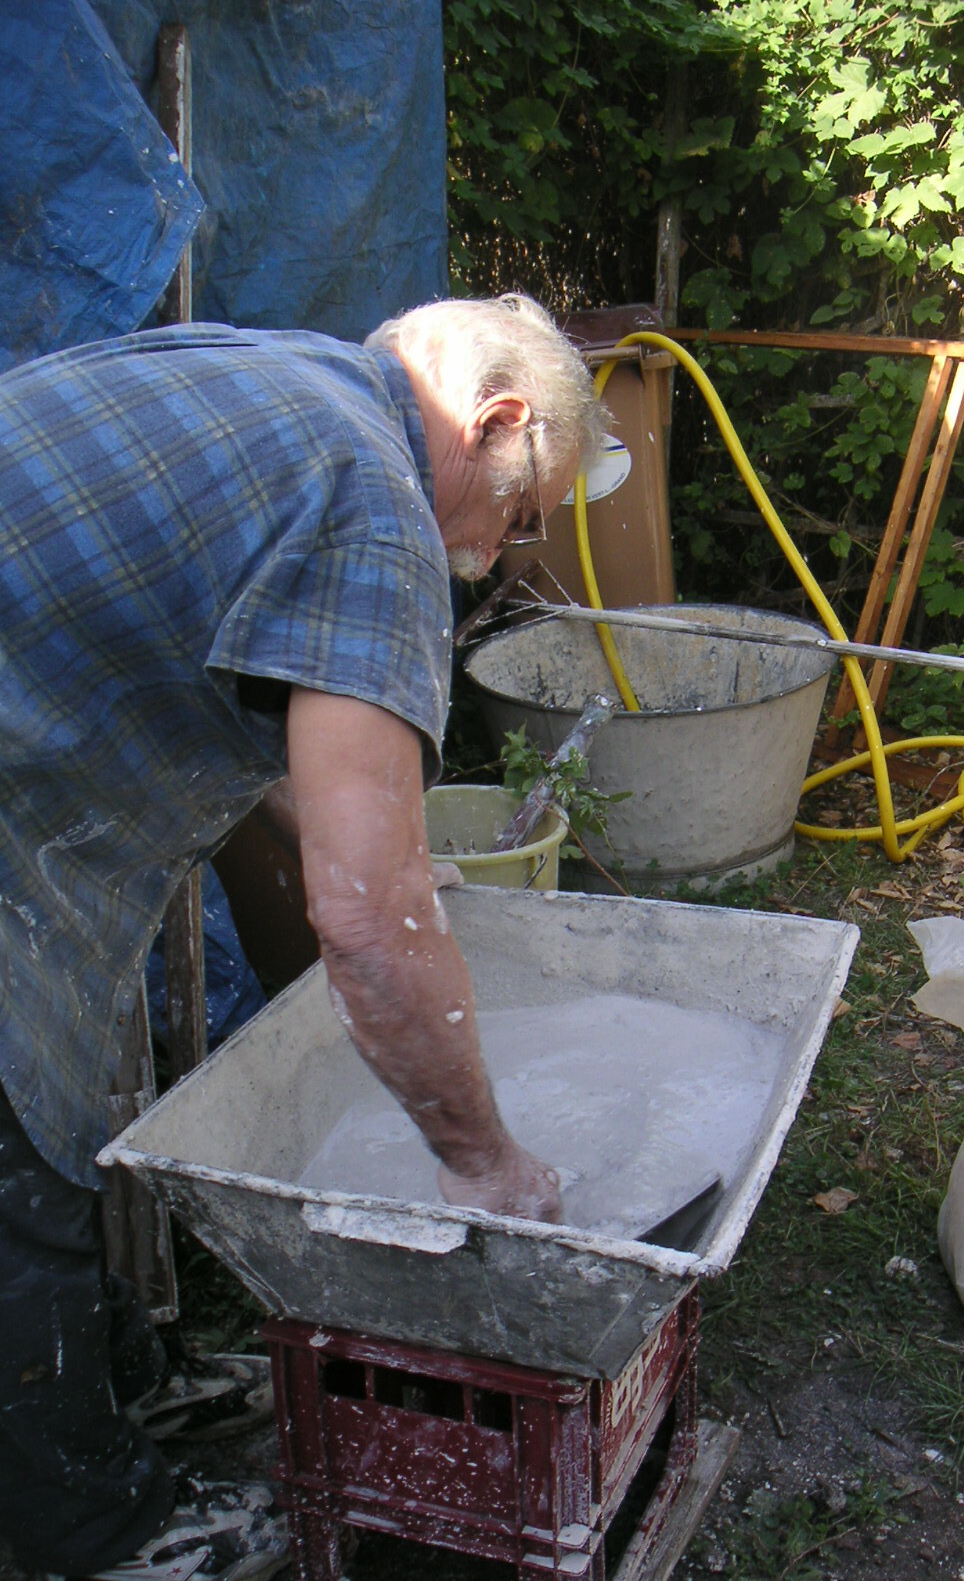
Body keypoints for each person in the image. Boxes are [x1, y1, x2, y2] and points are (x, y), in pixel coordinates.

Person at [0, 295, 609, 1577]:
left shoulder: (295, 381)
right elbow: (369, 931)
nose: (501, 552)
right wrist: (484, 1161)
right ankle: (97, 1532)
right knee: (14, 1165)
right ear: (494, 422)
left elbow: (282, 744)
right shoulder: (372, 508)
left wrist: (378, 850)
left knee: (49, 1122)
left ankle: (124, 1385)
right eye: (523, 515)